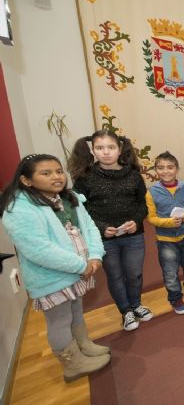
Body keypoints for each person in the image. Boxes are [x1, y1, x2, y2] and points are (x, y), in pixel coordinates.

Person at [1, 154, 110, 382]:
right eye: (46, 173)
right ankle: (73, 364)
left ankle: (83, 346)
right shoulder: (18, 209)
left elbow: (88, 227)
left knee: (76, 311)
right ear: (26, 180)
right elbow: (38, 249)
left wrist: (95, 256)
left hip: (80, 271)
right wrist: (81, 265)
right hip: (53, 277)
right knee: (60, 320)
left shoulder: (68, 198)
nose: (56, 177)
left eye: (59, 171)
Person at [69, 130, 152, 331]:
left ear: (120, 148)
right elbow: (82, 211)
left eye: (111, 147)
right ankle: (125, 311)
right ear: (93, 150)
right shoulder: (85, 178)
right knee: (115, 275)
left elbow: (143, 204)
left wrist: (136, 220)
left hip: (134, 235)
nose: (106, 152)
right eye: (100, 148)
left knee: (134, 274)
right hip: (105, 238)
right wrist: (102, 228)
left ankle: (136, 304)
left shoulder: (133, 175)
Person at [146, 152, 184, 314]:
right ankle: (175, 297)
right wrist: (168, 222)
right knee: (170, 272)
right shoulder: (152, 192)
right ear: (155, 170)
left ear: (177, 169)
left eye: (170, 167)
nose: (166, 171)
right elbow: (151, 218)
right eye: (161, 168)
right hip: (165, 240)